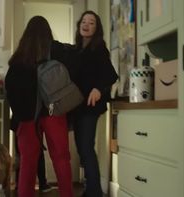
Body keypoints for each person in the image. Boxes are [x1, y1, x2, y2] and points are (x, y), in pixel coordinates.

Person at [5, 16, 74, 197]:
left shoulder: (19, 57)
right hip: (54, 112)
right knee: (61, 159)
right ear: (48, 32)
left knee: (28, 162)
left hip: (27, 117)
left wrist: (19, 114)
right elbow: (70, 79)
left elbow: (10, 89)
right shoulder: (58, 51)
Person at [70, 11, 118, 197]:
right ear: (79, 25)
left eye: (91, 22)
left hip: (90, 106)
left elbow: (110, 75)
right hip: (77, 105)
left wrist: (98, 89)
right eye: (84, 21)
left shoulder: (99, 48)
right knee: (81, 147)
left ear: (96, 29)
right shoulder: (77, 49)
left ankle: (95, 191)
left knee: (86, 147)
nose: (86, 24)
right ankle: (91, 188)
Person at [11, 116, 54, 193]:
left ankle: (19, 183)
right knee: (38, 153)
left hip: (21, 119)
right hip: (34, 119)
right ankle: (42, 183)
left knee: (21, 154)